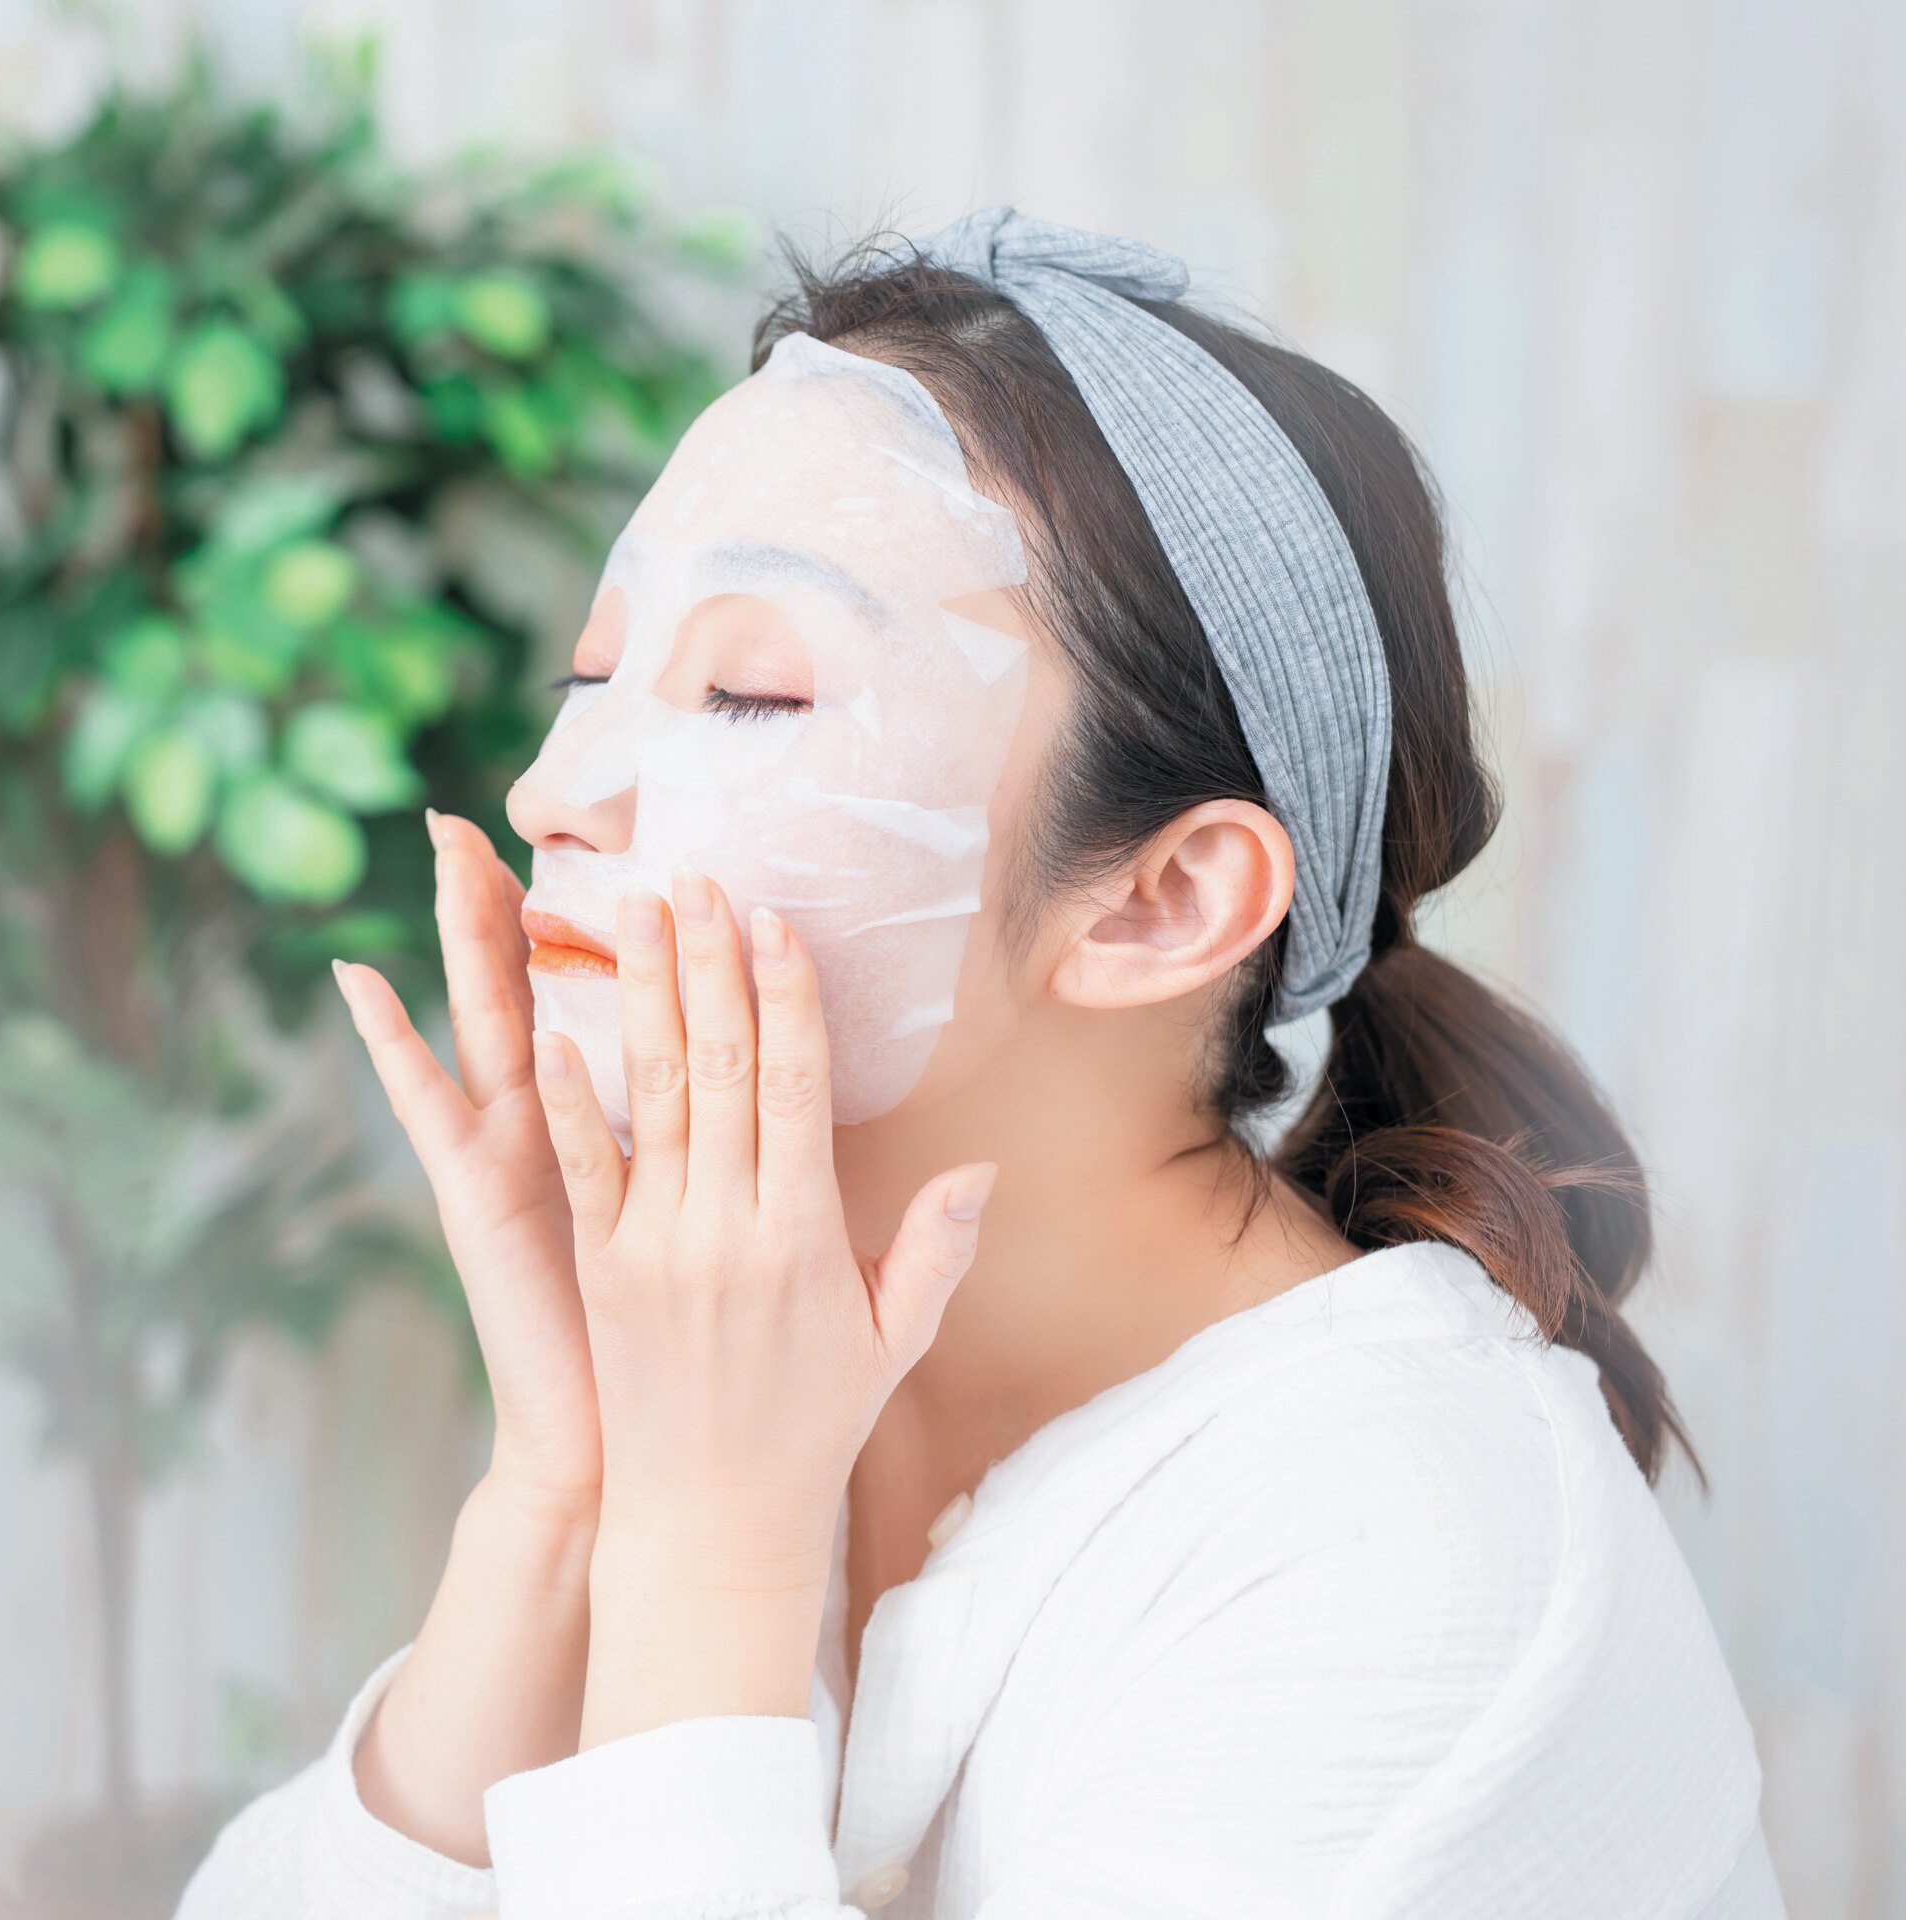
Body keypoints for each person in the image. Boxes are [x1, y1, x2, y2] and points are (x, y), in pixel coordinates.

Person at [178, 209, 1777, 1919]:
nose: (558, 791)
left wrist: (702, 1555)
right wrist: (563, 1500)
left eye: (753, 694)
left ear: (1164, 902)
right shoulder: (761, 1387)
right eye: (597, 665)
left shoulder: (1406, 1561)